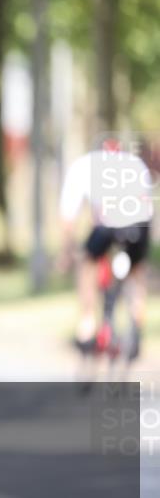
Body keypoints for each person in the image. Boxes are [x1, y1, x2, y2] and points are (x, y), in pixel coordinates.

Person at [58, 139, 154, 361]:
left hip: (108, 225)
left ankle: (88, 323)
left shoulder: (83, 166)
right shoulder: (135, 163)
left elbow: (67, 217)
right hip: (139, 226)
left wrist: (67, 251)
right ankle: (136, 322)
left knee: (87, 263)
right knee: (137, 272)